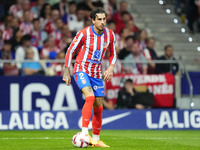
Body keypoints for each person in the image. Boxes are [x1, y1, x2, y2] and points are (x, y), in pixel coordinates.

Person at [63, 8, 117, 147]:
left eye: (104, 19)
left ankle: (96, 139)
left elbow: (113, 53)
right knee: (90, 97)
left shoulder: (110, 35)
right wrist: (66, 71)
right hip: (81, 69)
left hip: (97, 73)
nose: (102, 22)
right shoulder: (83, 33)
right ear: (93, 20)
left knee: (98, 107)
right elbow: (70, 51)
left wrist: (110, 67)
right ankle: (84, 133)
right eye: (99, 19)